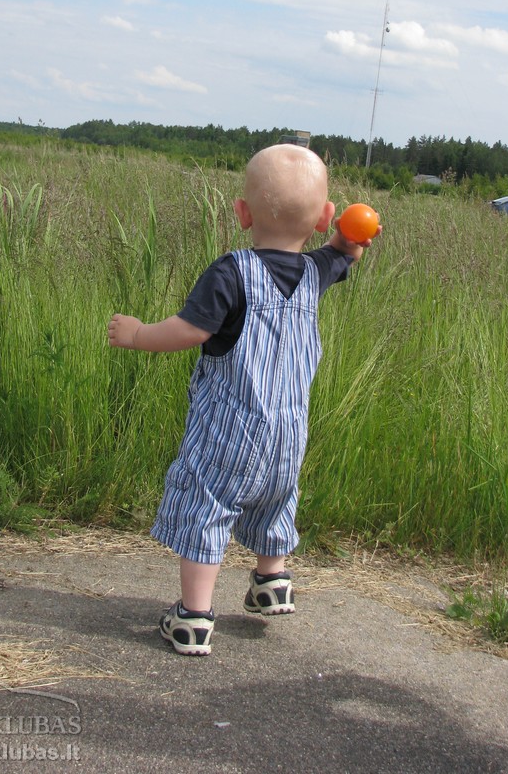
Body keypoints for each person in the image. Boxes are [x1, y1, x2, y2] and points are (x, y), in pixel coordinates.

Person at [107, 144, 379, 655]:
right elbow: (346, 254)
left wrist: (139, 333)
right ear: (324, 218)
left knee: (205, 506)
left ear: (242, 213)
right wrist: (351, 235)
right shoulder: (316, 271)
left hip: (230, 432)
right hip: (288, 434)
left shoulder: (231, 273)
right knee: (276, 501)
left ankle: (193, 617)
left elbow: (189, 329)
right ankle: (272, 581)